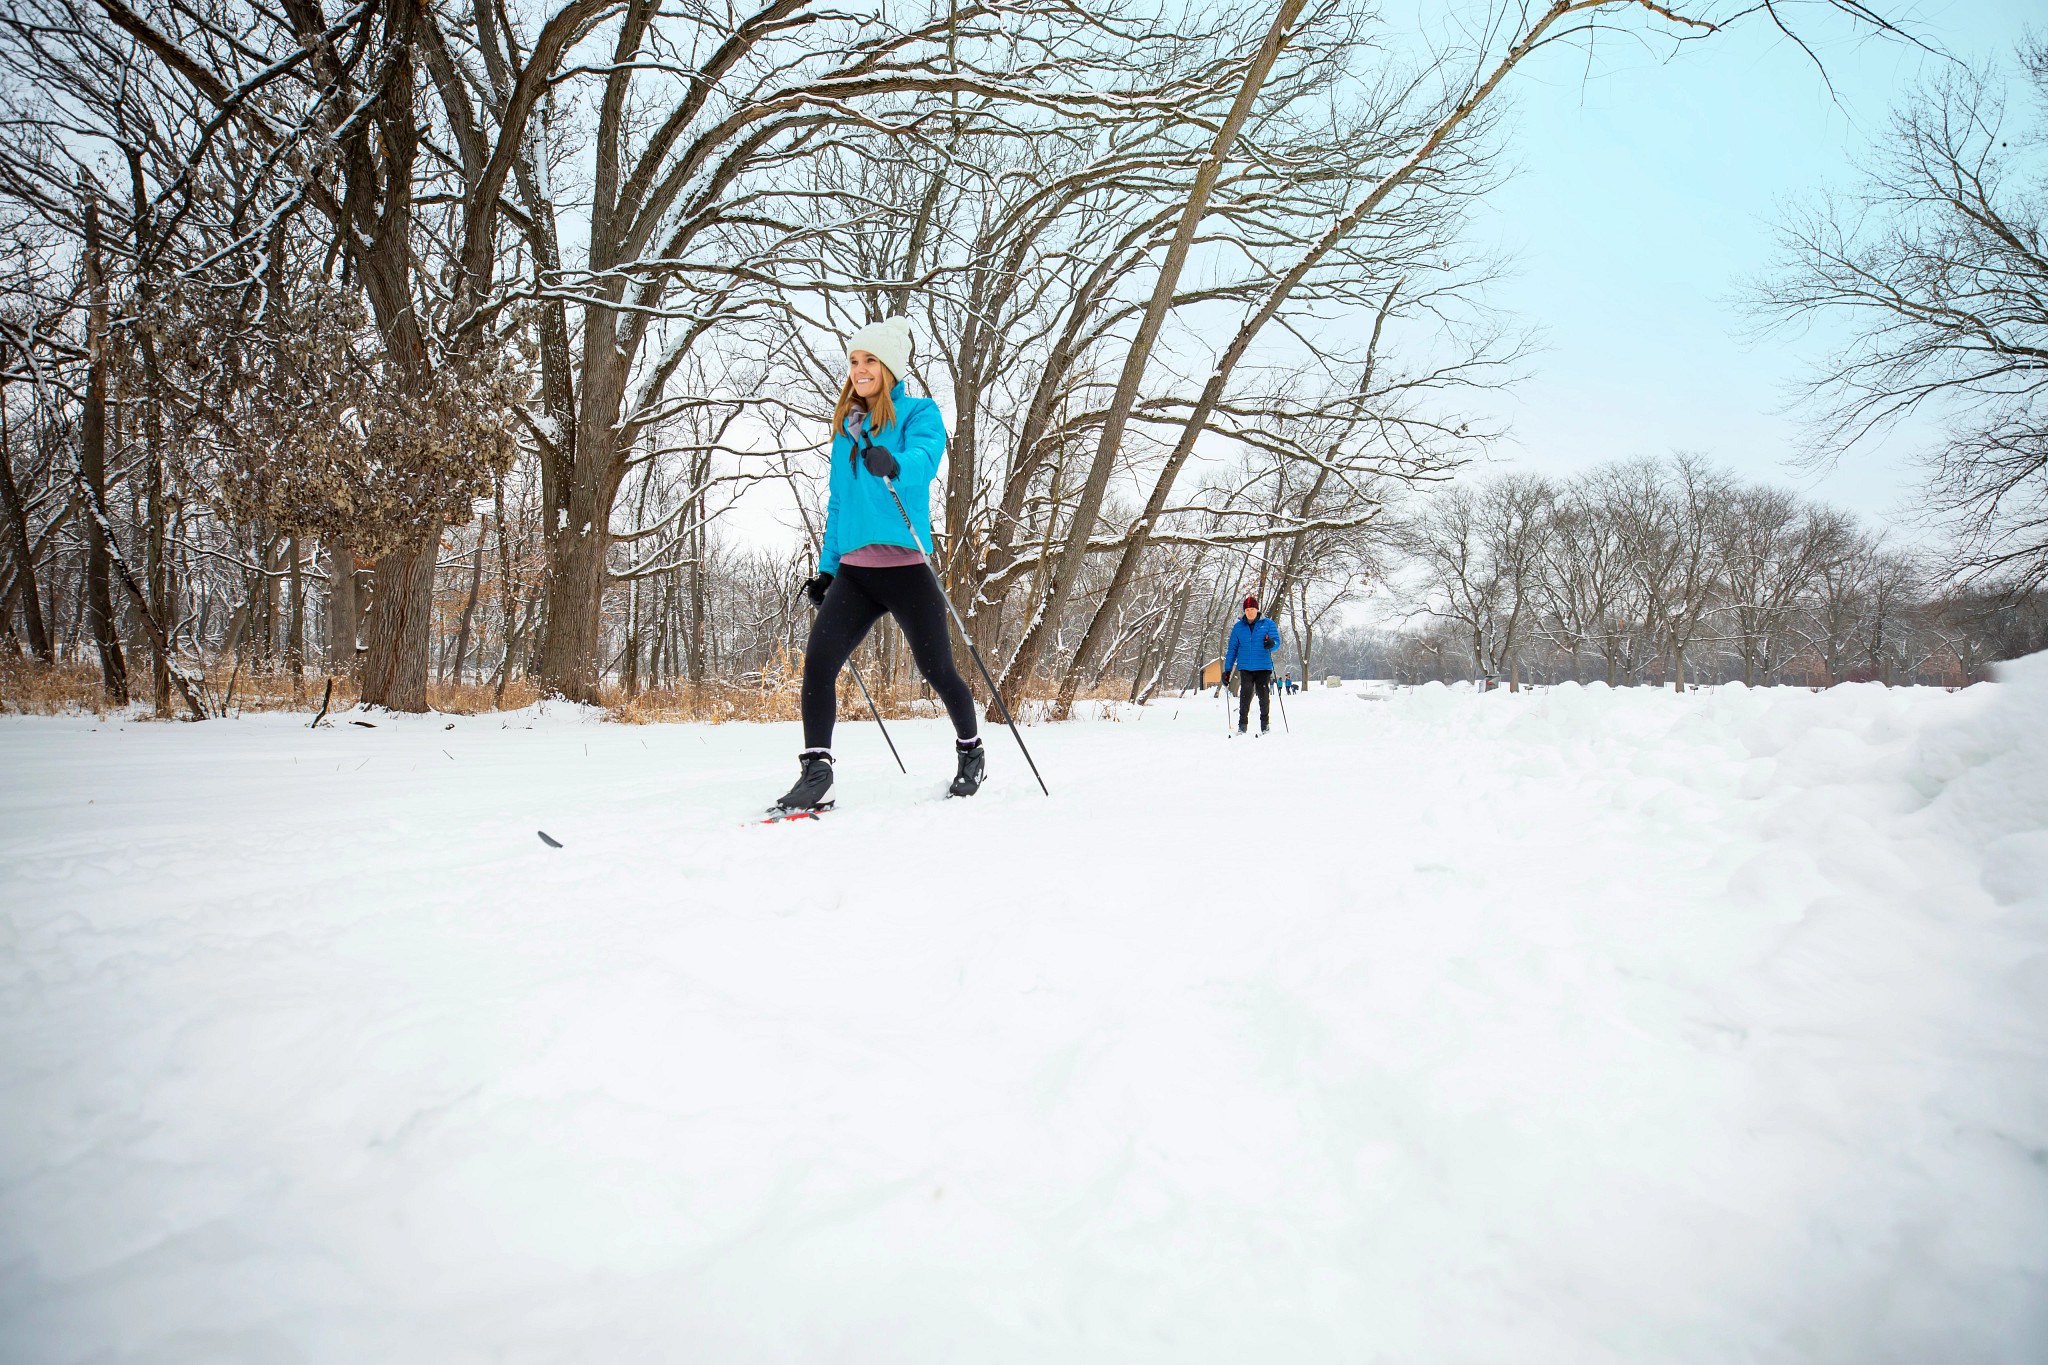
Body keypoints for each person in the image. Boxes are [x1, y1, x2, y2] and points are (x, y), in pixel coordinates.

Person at [775, 317, 985, 811]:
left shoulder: (919, 412)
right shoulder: (845, 431)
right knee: (819, 662)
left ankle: (971, 752)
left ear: (889, 368)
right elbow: (838, 504)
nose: (859, 369)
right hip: (855, 573)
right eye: (853, 361)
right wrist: (828, 569)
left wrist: (894, 463)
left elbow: (924, 463)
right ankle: (816, 770)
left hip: (907, 568)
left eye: (870, 360)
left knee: (937, 669)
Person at [1222, 595, 1281, 735]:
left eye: (1253, 609)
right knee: (1245, 695)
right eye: (1247, 609)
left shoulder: (1268, 624)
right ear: (1244, 611)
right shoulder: (1238, 627)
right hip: (1245, 667)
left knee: (1263, 695)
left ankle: (1265, 725)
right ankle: (1242, 726)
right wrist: (1227, 670)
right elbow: (1232, 649)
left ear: (1257, 610)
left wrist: (1272, 643)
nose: (1250, 612)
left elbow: (1276, 643)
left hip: (1263, 666)